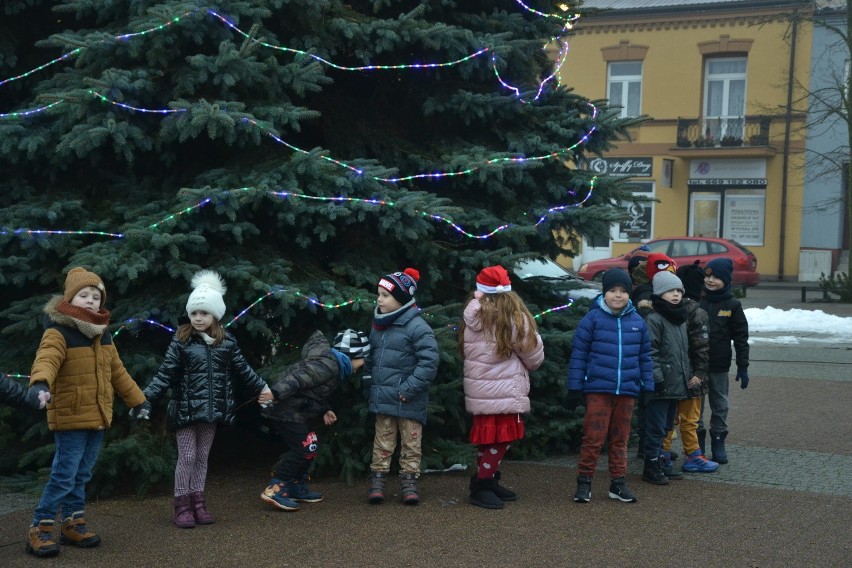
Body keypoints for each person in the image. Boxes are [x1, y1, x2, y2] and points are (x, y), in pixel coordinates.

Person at [26, 267, 149, 558]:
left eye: (96, 296)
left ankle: (72, 522)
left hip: (97, 415)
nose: (91, 301)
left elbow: (118, 372)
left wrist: (138, 401)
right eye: (84, 295)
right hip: (70, 415)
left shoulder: (102, 335)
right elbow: (47, 360)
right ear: (70, 299)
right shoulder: (59, 331)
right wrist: (40, 383)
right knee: (63, 474)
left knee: (82, 474)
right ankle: (39, 528)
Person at [142, 270, 273, 528]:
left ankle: (198, 503)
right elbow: (165, 374)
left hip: (213, 410)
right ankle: (181, 504)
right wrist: (145, 399)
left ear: (215, 315)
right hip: (186, 410)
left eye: (204, 313)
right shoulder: (181, 341)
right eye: (194, 313)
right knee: (187, 456)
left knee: (202, 456)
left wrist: (263, 387)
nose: (198, 318)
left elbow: (244, 370)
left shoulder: (227, 342)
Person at [460, 265, 544, 509]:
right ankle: (482, 485)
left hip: (481, 390)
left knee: (488, 438)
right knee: (501, 440)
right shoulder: (513, 317)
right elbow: (532, 353)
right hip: (505, 389)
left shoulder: (473, 314)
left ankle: (488, 479)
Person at [260, 328, 369, 512]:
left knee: (311, 446)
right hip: (284, 410)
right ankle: (275, 488)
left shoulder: (333, 366)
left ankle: (296, 486)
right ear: (353, 355)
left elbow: (314, 391)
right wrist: (276, 393)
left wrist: (325, 409)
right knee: (304, 448)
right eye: (363, 358)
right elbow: (299, 379)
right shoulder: (329, 365)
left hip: (293, 411)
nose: (363, 364)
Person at [568, 268, 653, 504]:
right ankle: (584, 483)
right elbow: (579, 354)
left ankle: (618, 484)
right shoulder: (592, 319)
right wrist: (575, 387)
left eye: (623, 291)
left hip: (626, 390)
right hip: (597, 390)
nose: (618, 295)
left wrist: (648, 386)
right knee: (593, 438)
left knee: (620, 439)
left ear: (630, 294)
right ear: (604, 293)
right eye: (613, 291)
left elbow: (645, 357)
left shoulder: (637, 322)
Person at [364, 267, 439, 505]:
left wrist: (407, 389)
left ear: (402, 299)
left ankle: (409, 483)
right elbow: (370, 359)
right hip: (384, 398)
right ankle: (378, 482)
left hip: (409, 398)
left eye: (385, 295)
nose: (379, 299)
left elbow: (429, 362)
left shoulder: (418, 327)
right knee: (382, 442)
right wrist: (368, 383)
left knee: (411, 443)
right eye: (379, 294)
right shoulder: (379, 326)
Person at [659, 262, 718, 473]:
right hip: (690, 375)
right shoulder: (696, 312)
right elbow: (702, 347)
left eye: (677, 290)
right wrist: (701, 373)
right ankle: (690, 454)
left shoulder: (669, 309)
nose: (675, 294)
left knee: (671, 418)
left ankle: (665, 454)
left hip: (675, 375)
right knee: (688, 419)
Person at [642, 271, 691, 485]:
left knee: (666, 428)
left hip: (675, 385)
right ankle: (650, 465)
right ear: (659, 293)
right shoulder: (654, 319)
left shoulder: (679, 319)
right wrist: (657, 379)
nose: (676, 295)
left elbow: (681, 353)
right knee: (655, 427)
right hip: (660, 386)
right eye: (670, 290)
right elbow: (650, 353)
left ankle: (661, 460)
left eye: (679, 290)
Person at [699, 257, 750, 464]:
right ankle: (696, 445)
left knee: (719, 403)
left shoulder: (732, 305)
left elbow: (741, 337)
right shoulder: (697, 301)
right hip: (697, 365)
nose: (710, 280)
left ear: (726, 280)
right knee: (696, 406)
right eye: (708, 276)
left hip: (719, 365)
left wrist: (743, 366)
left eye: (716, 277)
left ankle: (718, 440)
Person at [629, 252, 677, 459]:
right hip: (651, 361)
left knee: (654, 409)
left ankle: (653, 449)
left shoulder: (652, 291)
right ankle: (649, 451)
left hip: (660, 362)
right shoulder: (646, 297)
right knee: (649, 406)